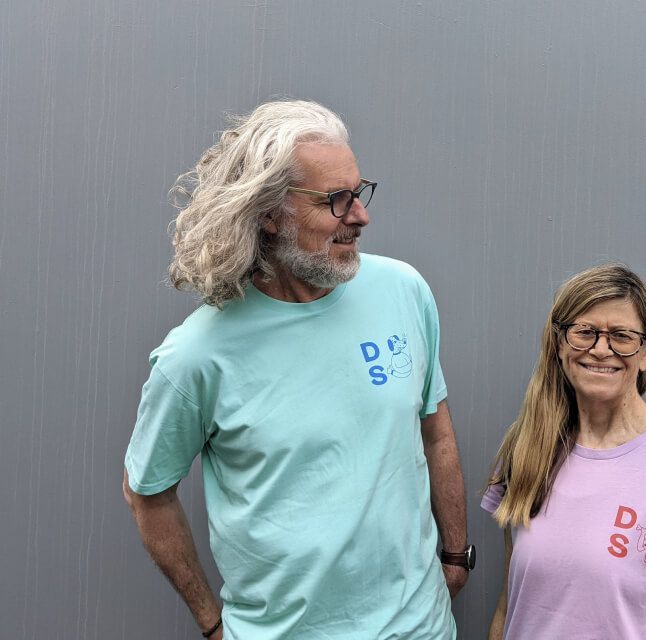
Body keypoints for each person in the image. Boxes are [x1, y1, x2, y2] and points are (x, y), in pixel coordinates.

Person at [122, 100, 473, 639]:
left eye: (360, 192)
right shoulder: (195, 357)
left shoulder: (403, 291)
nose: (360, 216)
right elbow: (147, 492)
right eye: (335, 200)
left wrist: (455, 554)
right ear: (268, 212)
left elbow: (435, 431)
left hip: (421, 627)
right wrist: (212, 623)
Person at [482, 264, 646, 640]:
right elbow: (510, 608)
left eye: (621, 336)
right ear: (559, 343)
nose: (601, 349)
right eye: (584, 332)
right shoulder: (528, 450)